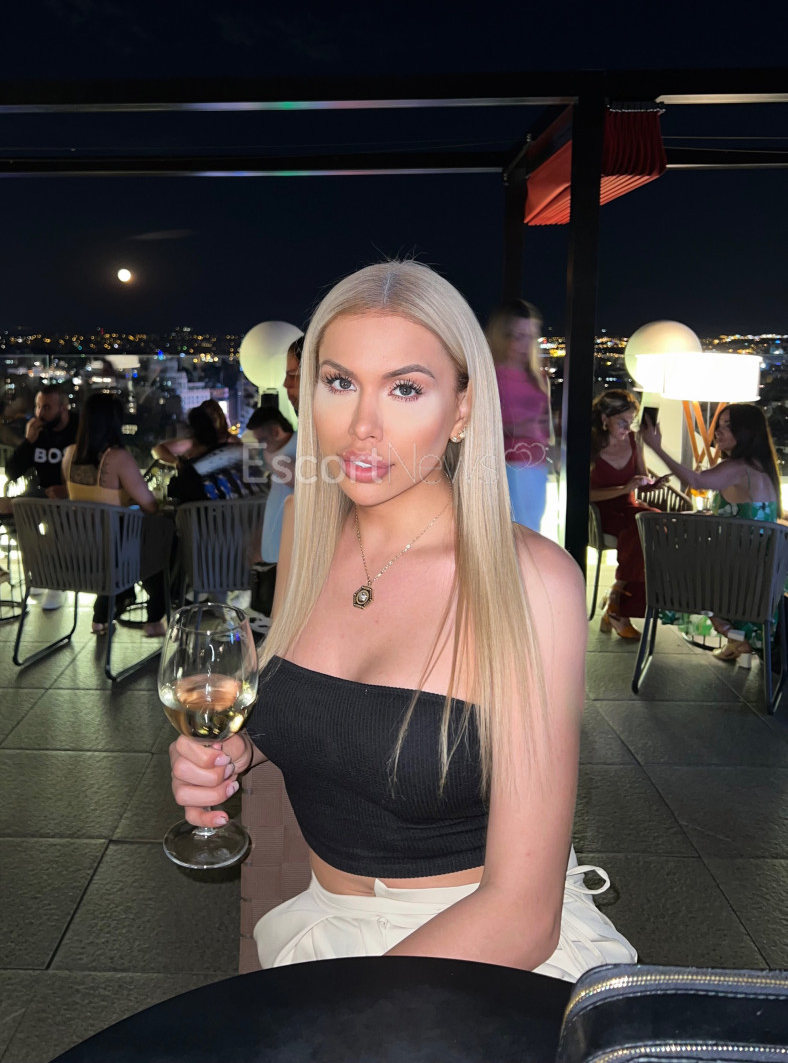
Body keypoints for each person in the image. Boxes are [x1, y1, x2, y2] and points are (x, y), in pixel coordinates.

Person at [170, 260, 635, 979]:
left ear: (463, 408)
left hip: (480, 954)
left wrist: (347, 1015)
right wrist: (237, 752)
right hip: (324, 928)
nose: (362, 426)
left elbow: (522, 913)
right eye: (339, 382)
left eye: (406, 388)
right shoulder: (308, 537)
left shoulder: (531, 583)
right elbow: (317, 705)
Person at [642, 402, 782, 661]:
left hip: (737, 569)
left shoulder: (737, 467)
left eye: (728, 426)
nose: (718, 431)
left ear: (747, 432)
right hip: (765, 567)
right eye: (719, 424)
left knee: (675, 566)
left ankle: (729, 633)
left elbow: (696, 481)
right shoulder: (763, 467)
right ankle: (735, 638)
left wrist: (656, 447)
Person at [62, 393, 167, 637]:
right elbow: (150, 506)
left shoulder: (69, 454)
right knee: (163, 539)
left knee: (125, 543)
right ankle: (154, 617)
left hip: (78, 551)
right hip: (115, 554)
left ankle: (105, 612)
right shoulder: (118, 458)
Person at [589, 389, 663, 640]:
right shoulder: (590, 445)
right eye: (622, 422)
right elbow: (585, 494)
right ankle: (619, 609)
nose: (627, 428)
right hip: (599, 513)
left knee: (654, 520)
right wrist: (623, 488)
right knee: (639, 528)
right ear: (604, 419)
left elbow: (642, 476)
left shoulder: (633, 440)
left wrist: (651, 484)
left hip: (628, 507)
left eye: (630, 422)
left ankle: (616, 598)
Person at [7, 386, 79, 610]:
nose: (40, 412)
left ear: (63, 408)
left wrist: (67, 489)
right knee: (14, 516)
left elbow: (91, 469)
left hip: (71, 494)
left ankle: (56, 583)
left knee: (58, 522)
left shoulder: (79, 430)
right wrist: (28, 441)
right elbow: (12, 472)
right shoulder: (37, 432)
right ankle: (41, 570)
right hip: (39, 491)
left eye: (46, 407)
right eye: (38, 406)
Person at [485, 299, 553, 531]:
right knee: (511, 535)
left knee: (530, 533)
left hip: (536, 467)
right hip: (503, 468)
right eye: (518, 336)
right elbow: (476, 425)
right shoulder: (489, 376)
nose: (525, 344)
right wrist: (519, 428)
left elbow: (544, 424)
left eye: (530, 336)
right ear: (501, 336)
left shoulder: (538, 378)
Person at [246, 408, 297, 565]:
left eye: (262, 439)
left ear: (276, 431)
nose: (261, 445)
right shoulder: (270, 452)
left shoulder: (301, 445)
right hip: (275, 522)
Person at [152, 399, 239, 465]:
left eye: (213, 419)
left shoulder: (231, 442)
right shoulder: (195, 442)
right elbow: (158, 450)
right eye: (205, 420)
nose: (209, 425)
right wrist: (178, 463)